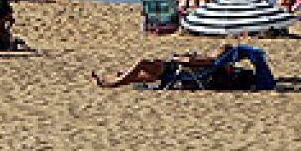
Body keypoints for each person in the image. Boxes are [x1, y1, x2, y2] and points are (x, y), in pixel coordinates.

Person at [93, 47, 230, 88]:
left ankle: (115, 81)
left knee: (142, 62)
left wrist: (178, 57)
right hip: (169, 70)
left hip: (170, 68)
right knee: (135, 78)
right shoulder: (210, 59)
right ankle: (110, 82)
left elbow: (189, 62)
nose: (214, 50)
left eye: (218, 49)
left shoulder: (210, 60)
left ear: (220, 53)